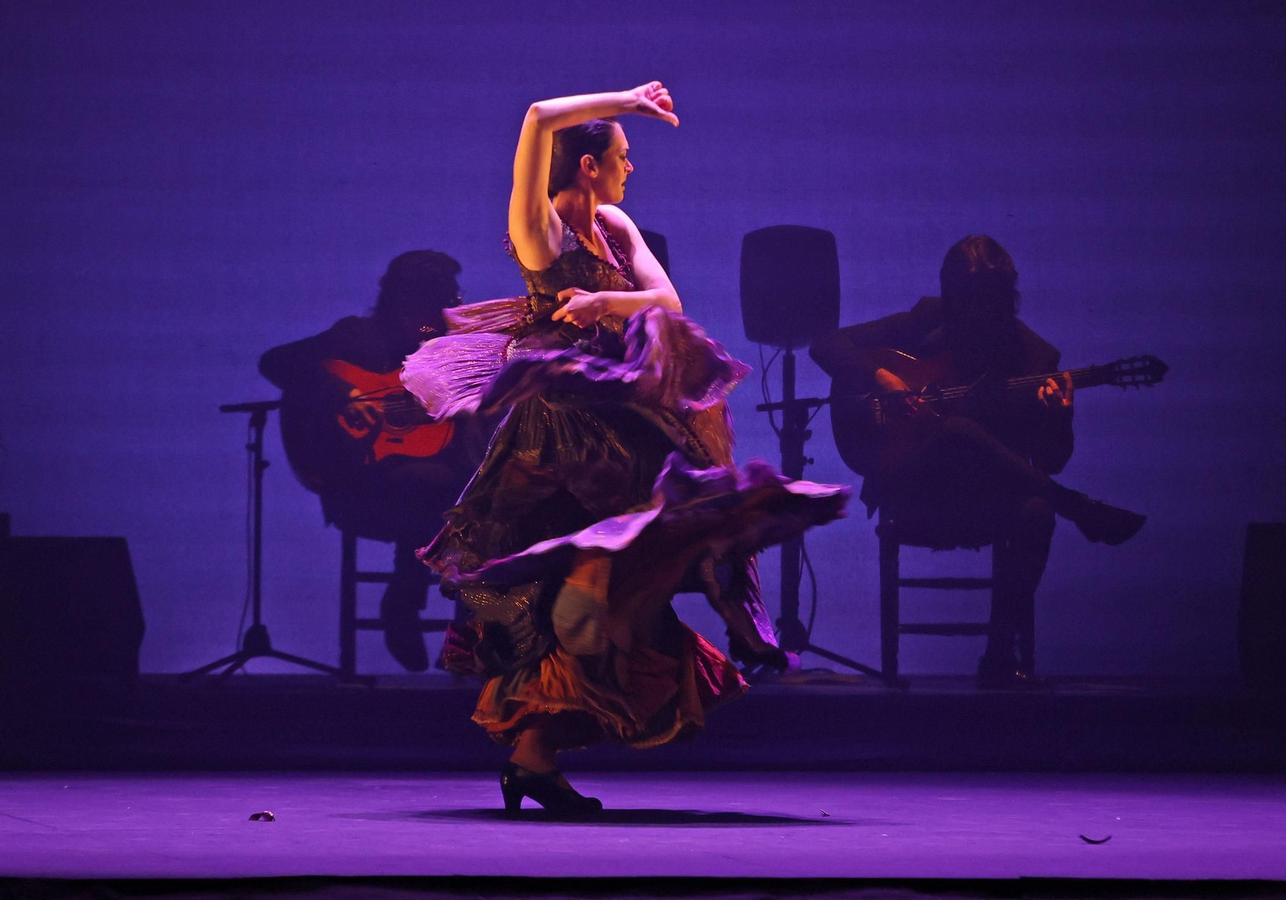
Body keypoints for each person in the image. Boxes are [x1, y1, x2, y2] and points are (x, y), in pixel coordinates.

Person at [400, 83, 847, 814]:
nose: (630, 167)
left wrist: (610, 303)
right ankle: (532, 740)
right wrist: (630, 102)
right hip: (557, 440)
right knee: (557, 586)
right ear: (587, 165)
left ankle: (533, 756)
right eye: (622, 156)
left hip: (619, 424)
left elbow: (667, 303)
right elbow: (540, 116)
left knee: (623, 578)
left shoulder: (613, 223)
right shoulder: (537, 229)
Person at [809, 235, 1145, 690]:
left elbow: (1049, 460)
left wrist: (1059, 418)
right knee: (954, 430)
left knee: (1037, 513)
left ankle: (999, 655)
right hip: (915, 485)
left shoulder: (1035, 358)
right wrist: (880, 375)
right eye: (965, 302)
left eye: (987, 302)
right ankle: (1079, 508)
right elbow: (827, 344)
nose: (975, 314)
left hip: (990, 494)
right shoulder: (924, 320)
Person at [259, 250, 487, 672]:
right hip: (355, 484)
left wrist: (456, 408)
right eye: (437, 300)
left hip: (434, 486)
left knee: (480, 495)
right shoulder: (354, 337)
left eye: (450, 299)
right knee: (444, 492)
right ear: (406, 301)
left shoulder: (444, 352)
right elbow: (275, 362)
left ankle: (456, 624)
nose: (449, 308)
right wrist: (345, 396)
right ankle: (419, 607)